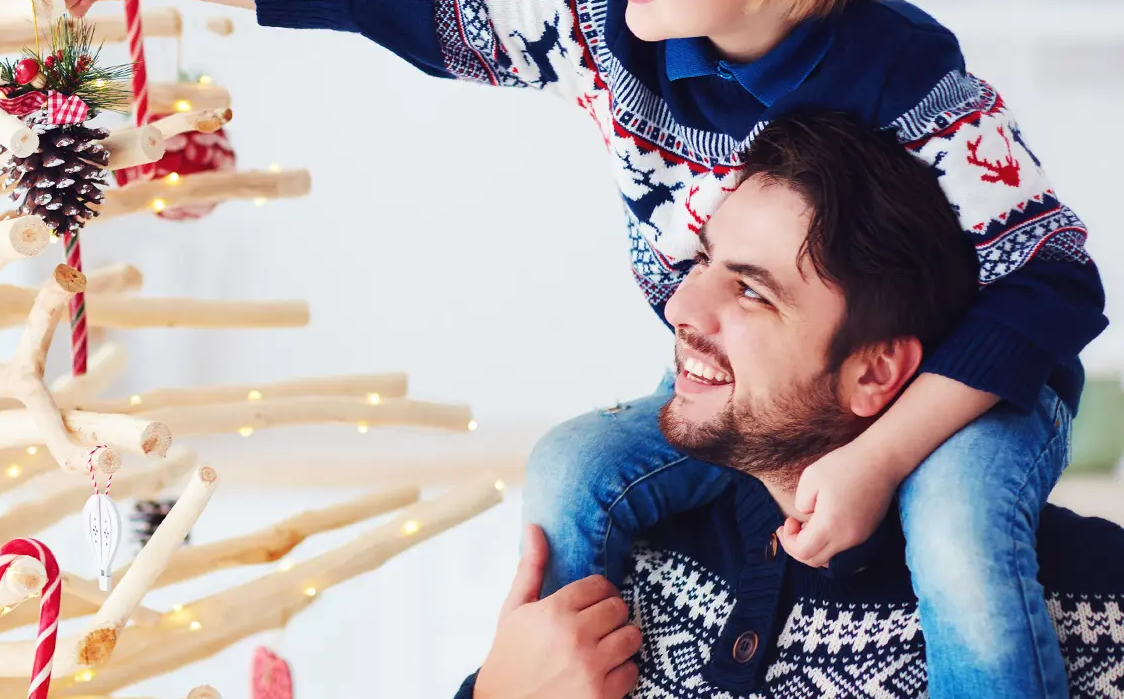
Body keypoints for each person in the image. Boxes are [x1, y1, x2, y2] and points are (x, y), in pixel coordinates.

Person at [8, 0, 1107, 693]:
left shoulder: (909, 82)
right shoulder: (601, 27)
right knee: (576, 467)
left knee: (959, 538)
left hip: (965, 395)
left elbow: (1059, 284)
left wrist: (880, 461)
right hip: (774, 402)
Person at [457, 113, 1124, 699]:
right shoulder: (601, 555)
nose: (681, 309)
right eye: (705, 261)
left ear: (875, 371)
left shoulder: (1084, 608)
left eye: (751, 291)